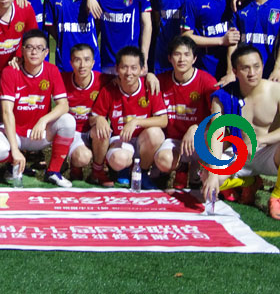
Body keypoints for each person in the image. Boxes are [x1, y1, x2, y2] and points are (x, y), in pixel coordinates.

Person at [202, 44, 280, 220]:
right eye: (245, 68)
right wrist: (212, 173)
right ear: (235, 71)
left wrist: (260, 140)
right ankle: (249, 181)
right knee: (207, 178)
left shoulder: (278, 90)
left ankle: (277, 197)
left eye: (257, 66)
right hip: (238, 152)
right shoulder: (223, 95)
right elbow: (217, 134)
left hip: (268, 152)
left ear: (263, 66)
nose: (252, 73)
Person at [0, 29, 76, 187]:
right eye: (29, 47)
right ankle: (13, 164)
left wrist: (43, 120)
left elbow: (64, 105)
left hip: (39, 133)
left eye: (39, 48)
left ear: (46, 52)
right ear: (22, 50)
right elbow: (7, 112)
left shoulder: (52, 70)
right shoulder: (10, 72)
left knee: (68, 121)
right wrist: (14, 149)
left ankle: (53, 172)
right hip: (14, 133)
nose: (34, 52)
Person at [91, 46, 167, 188]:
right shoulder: (109, 89)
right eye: (124, 67)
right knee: (118, 159)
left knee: (156, 134)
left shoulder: (150, 87)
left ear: (142, 70)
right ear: (117, 69)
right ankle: (123, 170)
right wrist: (99, 119)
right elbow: (94, 117)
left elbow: (163, 120)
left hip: (143, 140)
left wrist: (136, 122)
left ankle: (142, 172)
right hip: (121, 140)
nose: (129, 73)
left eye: (134, 68)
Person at [154, 36, 217, 188]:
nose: (182, 59)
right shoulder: (160, 80)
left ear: (194, 58)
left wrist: (196, 128)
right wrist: (149, 75)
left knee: (217, 139)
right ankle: (181, 168)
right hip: (174, 140)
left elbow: (218, 121)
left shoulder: (207, 82)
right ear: (170, 58)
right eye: (177, 54)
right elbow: (135, 83)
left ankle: (199, 169)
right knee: (163, 160)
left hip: (199, 138)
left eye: (187, 54)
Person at [63, 43, 113, 185]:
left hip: (92, 129)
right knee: (82, 157)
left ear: (93, 62)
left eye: (86, 60)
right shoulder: (62, 79)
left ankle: (97, 171)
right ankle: (75, 168)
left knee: (104, 130)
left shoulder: (103, 80)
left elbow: (129, 78)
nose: (82, 65)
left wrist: (150, 76)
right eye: (77, 60)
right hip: (73, 132)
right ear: (71, 62)